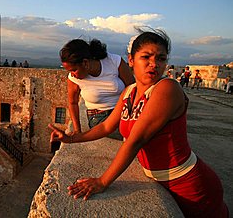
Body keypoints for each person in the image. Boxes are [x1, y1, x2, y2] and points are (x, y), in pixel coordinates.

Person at [50, 28, 228, 217]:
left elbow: (136, 140)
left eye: (161, 59)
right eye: (147, 57)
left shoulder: (167, 88)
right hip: (163, 181)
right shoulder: (129, 92)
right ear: (132, 61)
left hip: (188, 184)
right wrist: (71, 139)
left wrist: (102, 182)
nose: (154, 64)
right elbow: (105, 126)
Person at [59, 38, 134, 134]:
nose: (72, 74)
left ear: (85, 63)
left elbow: (132, 87)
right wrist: (77, 130)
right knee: (133, 131)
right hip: (100, 117)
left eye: (74, 70)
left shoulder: (113, 61)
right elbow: (73, 103)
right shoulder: (74, 79)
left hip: (124, 110)